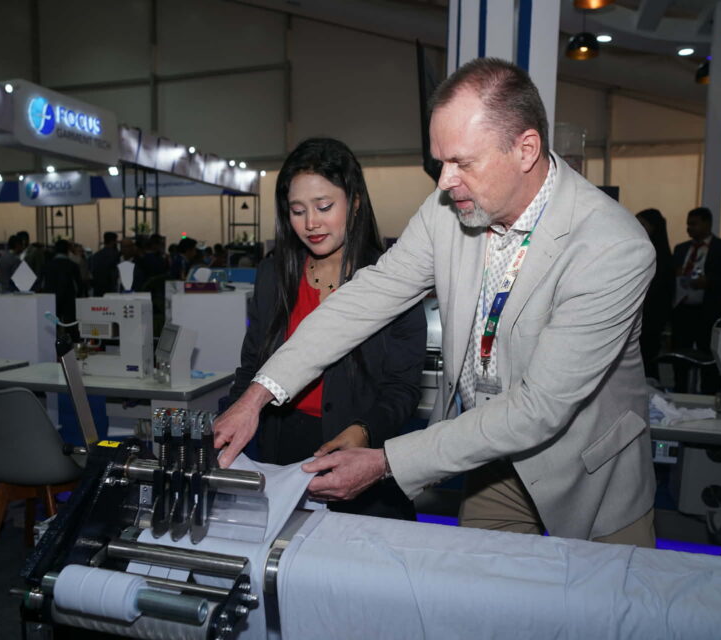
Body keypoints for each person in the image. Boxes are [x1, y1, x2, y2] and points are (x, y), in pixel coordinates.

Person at [214, 58, 657, 546]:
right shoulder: (449, 210)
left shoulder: (611, 246)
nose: (445, 181)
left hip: (587, 474)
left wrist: (386, 461)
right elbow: (365, 298)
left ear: (526, 149)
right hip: (489, 462)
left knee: (601, 595)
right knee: (478, 591)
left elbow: (538, 409)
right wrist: (256, 397)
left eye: (462, 162)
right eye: (441, 162)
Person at [229, 137, 426, 520]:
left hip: (362, 452)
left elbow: (403, 387)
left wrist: (363, 431)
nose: (310, 223)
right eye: (297, 210)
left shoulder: (391, 279)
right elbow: (252, 366)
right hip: (283, 451)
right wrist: (226, 428)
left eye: (324, 207)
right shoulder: (273, 276)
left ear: (355, 202)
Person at [669, 207, 721, 394]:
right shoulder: (681, 249)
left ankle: (709, 396)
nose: (689, 228)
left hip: (709, 312)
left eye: (694, 224)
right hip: (683, 311)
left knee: (709, 356)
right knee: (680, 356)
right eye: (688, 224)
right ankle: (679, 393)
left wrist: (709, 281)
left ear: (708, 224)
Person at [636, 209, 675, 382]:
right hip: (639, 314)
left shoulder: (661, 256)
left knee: (648, 357)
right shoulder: (639, 249)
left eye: (642, 224)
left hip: (652, 316)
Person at [39, 240, 86, 326]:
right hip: (69, 300)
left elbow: (41, 285)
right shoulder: (73, 266)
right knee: (70, 324)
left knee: (52, 325)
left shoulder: (46, 266)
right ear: (67, 250)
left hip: (51, 300)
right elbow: (79, 285)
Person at [89, 231, 120, 296]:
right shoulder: (115, 255)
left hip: (98, 289)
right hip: (111, 289)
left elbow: (92, 272)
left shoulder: (96, 256)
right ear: (113, 241)